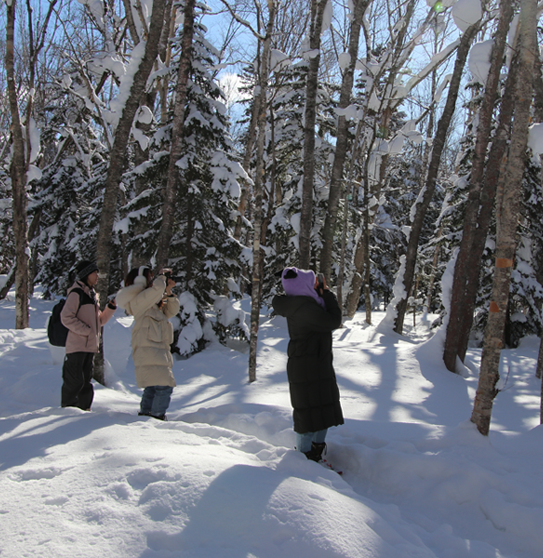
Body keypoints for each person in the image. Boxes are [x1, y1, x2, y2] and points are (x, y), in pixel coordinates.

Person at [272, 267, 344, 462]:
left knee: (321, 410)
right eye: (312, 282)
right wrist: (327, 293)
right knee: (308, 416)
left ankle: (315, 454)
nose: (315, 285)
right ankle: (304, 460)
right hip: (307, 367)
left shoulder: (306, 303)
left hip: (315, 364)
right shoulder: (303, 308)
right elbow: (333, 320)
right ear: (302, 285)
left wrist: (322, 295)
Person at [116, 267, 180, 420]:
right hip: (149, 351)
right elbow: (157, 289)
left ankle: (146, 416)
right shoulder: (138, 300)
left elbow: (172, 311)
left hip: (158, 351)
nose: (152, 280)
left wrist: (168, 291)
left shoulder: (152, 303)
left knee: (153, 386)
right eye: (150, 277)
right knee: (164, 386)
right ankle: (157, 417)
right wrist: (162, 278)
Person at [60, 260, 117, 410]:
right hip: (77, 346)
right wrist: (86, 331)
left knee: (86, 382)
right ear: (86, 274)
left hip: (89, 347)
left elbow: (99, 321)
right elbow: (66, 317)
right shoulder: (76, 293)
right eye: (94, 272)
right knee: (75, 381)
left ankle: (85, 411)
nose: (97, 275)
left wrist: (110, 308)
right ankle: (69, 410)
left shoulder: (91, 294)